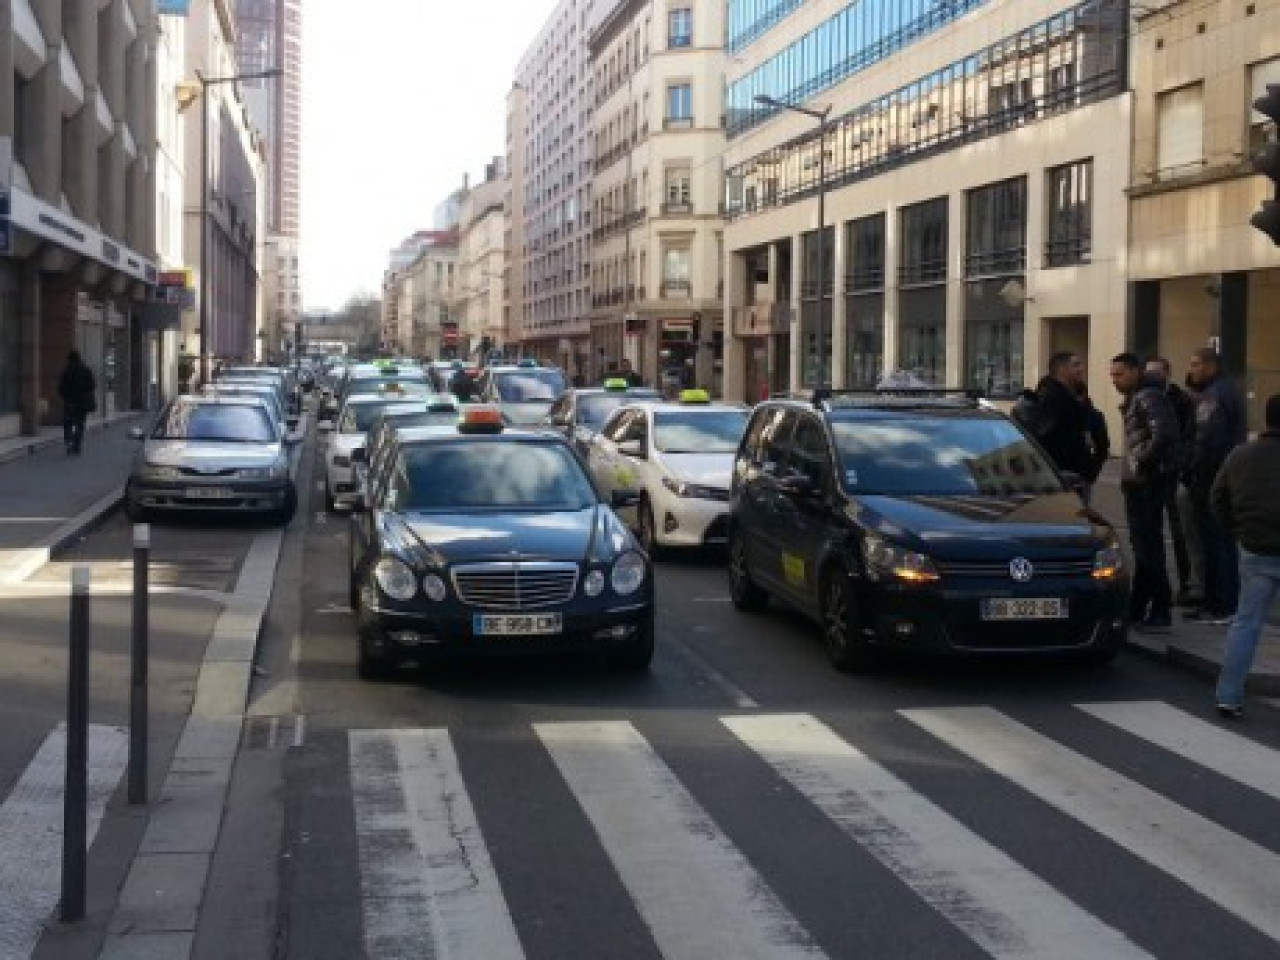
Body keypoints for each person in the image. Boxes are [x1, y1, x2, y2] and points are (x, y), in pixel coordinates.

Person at [1210, 394, 1280, 718]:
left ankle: (1229, 695)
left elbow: (1217, 498)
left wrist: (1236, 531)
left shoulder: (1240, 454)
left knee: (1246, 623)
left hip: (1254, 547)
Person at [1109, 353, 1180, 632]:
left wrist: (1141, 462)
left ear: (1136, 371)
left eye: (1120, 374)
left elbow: (1164, 434)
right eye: (1112, 375)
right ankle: (1139, 607)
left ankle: (1160, 609)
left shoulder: (1147, 396)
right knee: (1142, 548)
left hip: (1147, 482)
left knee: (1149, 548)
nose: (1115, 380)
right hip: (1141, 482)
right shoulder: (1141, 396)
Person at [1184, 348, 1248, 624]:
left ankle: (1217, 604)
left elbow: (1206, 439)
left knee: (1214, 542)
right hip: (1226, 474)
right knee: (1225, 542)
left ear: (1211, 366)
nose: (1192, 369)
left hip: (1210, 478)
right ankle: (1228, 602)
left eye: (1196, 364)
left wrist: (1192, 471)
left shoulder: (1212, 396)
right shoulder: (1231, 390)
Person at [1145, 358, 1198, 604]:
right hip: (1150, 475)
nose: (1153, 377)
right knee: (1151, 533)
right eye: (1149, 372)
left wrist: (1182, 463)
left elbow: (1188, 434)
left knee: (1180, 532)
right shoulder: (1141, 397)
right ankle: (1156, 589)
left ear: (1167, 374)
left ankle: (1187, 582)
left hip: (1174, 472)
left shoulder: (1181, 400)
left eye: (1157, 372)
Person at [57, 350, 97, 455]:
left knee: (68, 423)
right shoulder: (86, 370)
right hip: (82, 403)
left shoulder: (66, 371)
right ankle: (77, 445)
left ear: (69, 360)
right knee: (80, 424)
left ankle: (69, 440)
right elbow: (92, 385)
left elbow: (61, 388)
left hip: (70, 402)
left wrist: (65, 397)